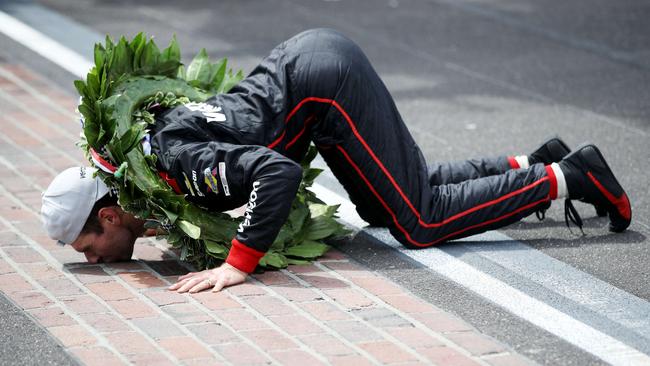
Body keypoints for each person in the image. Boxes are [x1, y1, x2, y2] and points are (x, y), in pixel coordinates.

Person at [41, 28, 631, 294]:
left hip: (324, 84)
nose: (96, 260)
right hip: (311, 79)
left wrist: (237, 264)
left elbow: (277, 172)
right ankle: (533, 160)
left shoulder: (173, 164)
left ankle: (568, 177)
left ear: (111, 216)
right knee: (387, 204)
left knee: (417, 223)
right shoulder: (146, 165)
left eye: (88, 249)